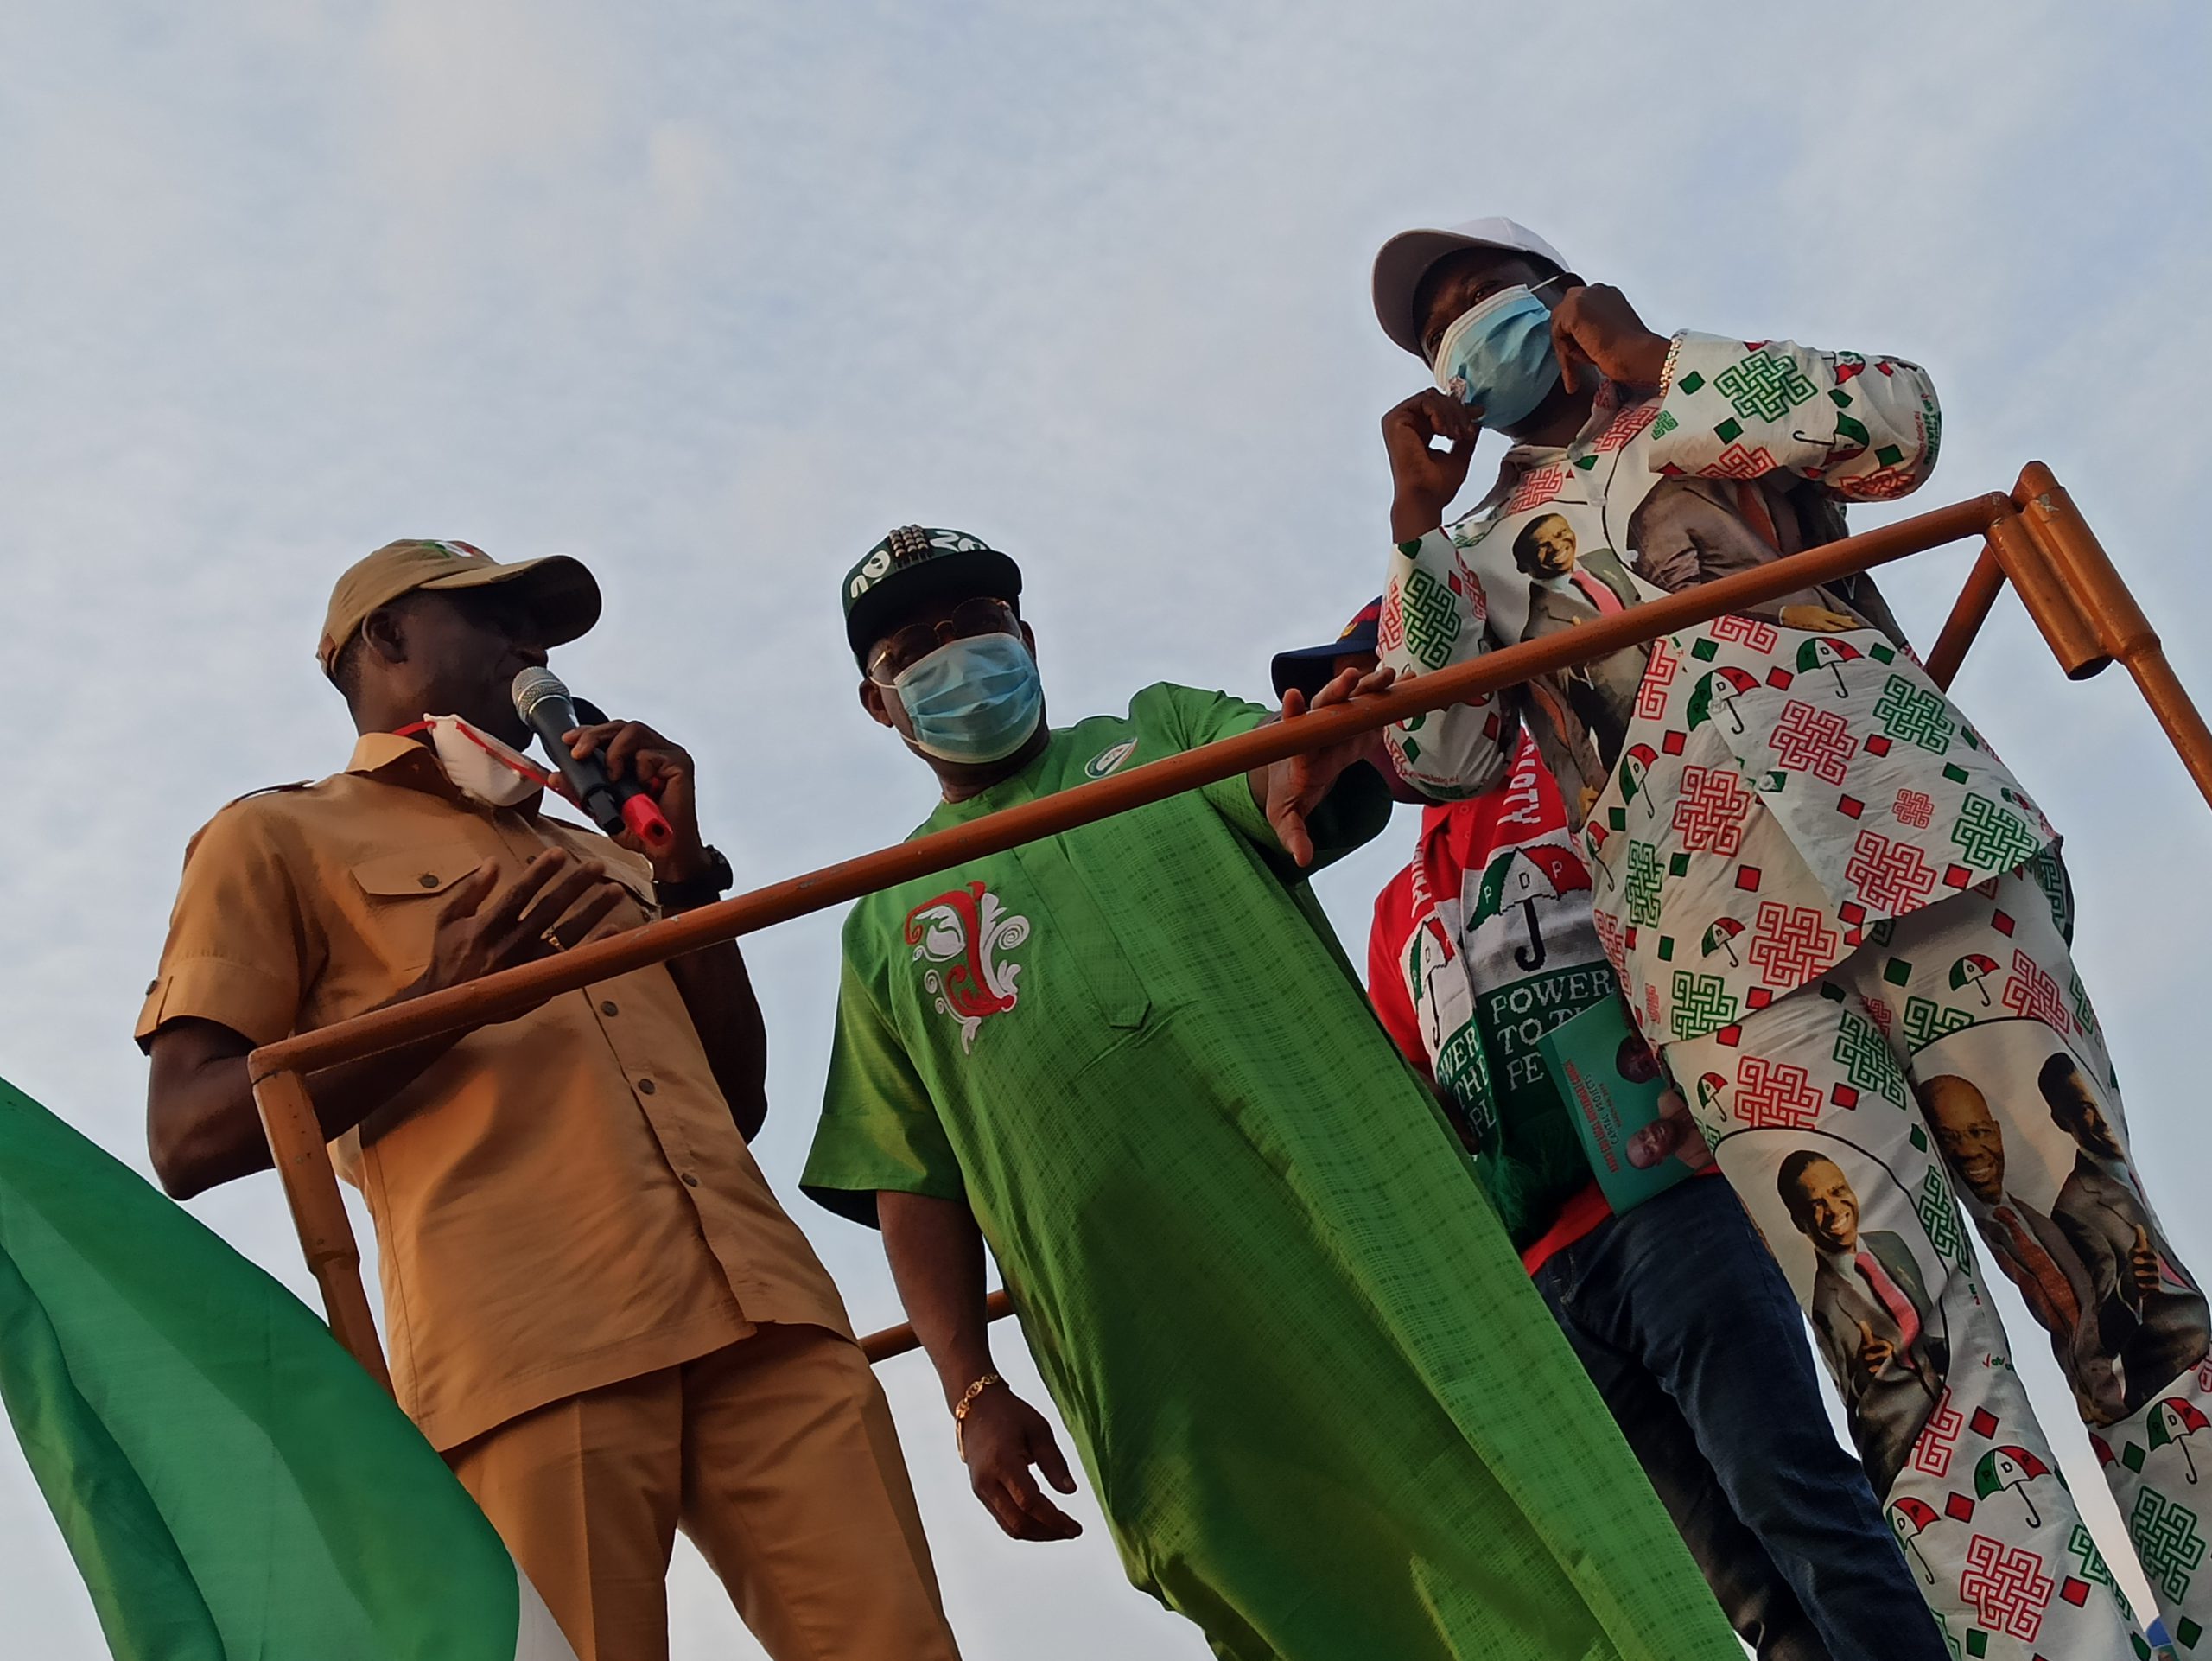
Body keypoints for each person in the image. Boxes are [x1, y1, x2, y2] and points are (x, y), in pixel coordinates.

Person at [1368, 213, 2197, 1657]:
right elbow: (1432, 747)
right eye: (1438, 331)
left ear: (1562, 298)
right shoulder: (1485, 554)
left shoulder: (1704, 405)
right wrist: (1413, 531)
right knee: (1906, 1353)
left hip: (1922, 849)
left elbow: (1900, 427)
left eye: (1484, 298)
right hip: (1723, 979)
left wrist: (1659, 360)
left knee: (2101, 1250)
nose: (1465, 337)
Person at [802, 525, 1744, 1661]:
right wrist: (968, 1392)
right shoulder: (885, 916)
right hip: (1159, 1349)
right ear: (877, 702)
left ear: (1027, 636)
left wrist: (1303, 764)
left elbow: (1280, 773)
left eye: (975, 627)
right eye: (917, 648)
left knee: (1536, 1497)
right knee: (1292, 1591)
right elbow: (911, 1179)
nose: (956, 658)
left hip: (1369, 1241)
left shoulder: (1161, 731)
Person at [137, 539, 961, 1661]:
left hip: (769, 1316)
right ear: (385, 639)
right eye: (499, 618)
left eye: (544, 626)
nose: (536, 648)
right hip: (531, 1351)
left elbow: (738, 1097)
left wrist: (681, 873)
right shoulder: (277, 836)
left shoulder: (607, 849)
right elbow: (186, 1133)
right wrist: (441, 1001)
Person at [1278, 609, 1947, 1661]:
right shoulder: (1393, 910)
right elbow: (1424, 1099)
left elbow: (1713, 911)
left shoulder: (1576, 772)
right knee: (1737, 1582)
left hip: (1675, 1204)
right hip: (1546, 1270)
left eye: (1381, 686)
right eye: (1351, 704)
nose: (1367, 722)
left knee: (1793, 1495)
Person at [1919, 1072, 2123, 1423]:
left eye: (1978, 1133)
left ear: (1997, 1133)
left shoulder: (2053, 1216)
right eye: (1949, 1139)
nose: (1967, 1151)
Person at [2043, 1056, 2212, 1412]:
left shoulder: (2119, 1166)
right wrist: (2131, 1286)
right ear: (2062, 1119)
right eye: (2085, 1108)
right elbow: (2099, 1332)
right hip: (2168, 1387)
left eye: (2099, 1101)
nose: (2100, 1117)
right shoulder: (2075, 1208)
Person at [1779, 1151, 1948, 1497]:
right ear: (1800, 1223)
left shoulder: (1890, 1244)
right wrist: (1862, 1376)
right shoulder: (1824, 1302)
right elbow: (1851, 1392)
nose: (1834, 1210)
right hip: (1906, 1453)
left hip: (1957, 1403)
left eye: (1839, 1191)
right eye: (1816, 1205)